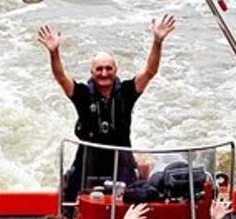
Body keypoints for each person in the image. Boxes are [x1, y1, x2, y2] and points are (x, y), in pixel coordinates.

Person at [38, 16, 177, 200]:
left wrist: (158, 41)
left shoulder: (127, 91)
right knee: (71, 199)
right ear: (92, 72)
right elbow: (61, 77)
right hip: (88, 160)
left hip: (121, 161)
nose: (104, 73)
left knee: (133, 199)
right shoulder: (82, 94)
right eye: (99, 69)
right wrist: (54, 52)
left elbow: (149, 71)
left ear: (116, 70)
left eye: (108, 68)